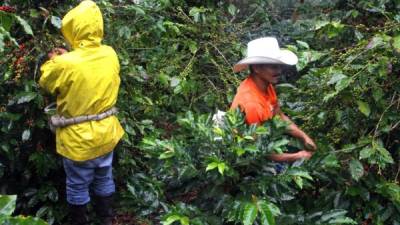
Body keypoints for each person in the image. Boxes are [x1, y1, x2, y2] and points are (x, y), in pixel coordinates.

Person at [39, 1, 124, 224]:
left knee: (77, 184)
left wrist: (55, 60)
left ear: (73, 29)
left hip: (78, 140)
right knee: (104, 177)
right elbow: (88, 67)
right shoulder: (110, 53)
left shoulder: (65, 64)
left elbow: (47, 81)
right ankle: (106, 219)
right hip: (106, 133)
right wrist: (68, 56)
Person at [231, 37, 316, 162]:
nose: (279, 71)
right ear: (256, 68)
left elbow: (279, 116)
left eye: (279, 66)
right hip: (244, 158)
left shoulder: (266, 85)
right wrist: (296, 157)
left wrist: (303, 137)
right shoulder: (251, 103)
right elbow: (258, 151)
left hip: (265, 140)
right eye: (273, 67)